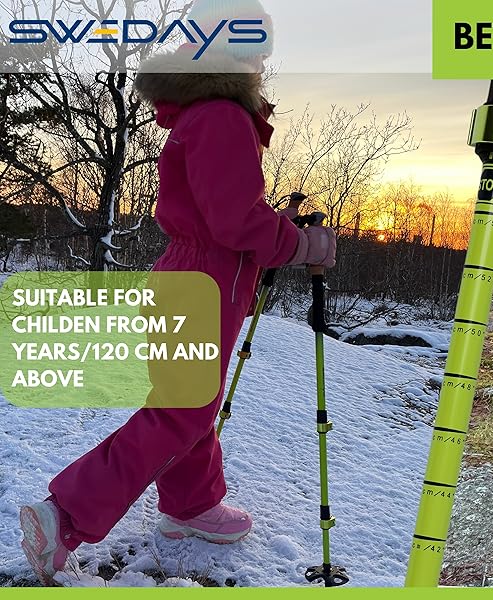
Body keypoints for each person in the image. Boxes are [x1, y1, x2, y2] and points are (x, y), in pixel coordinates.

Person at [18, 0, 337, 585]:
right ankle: (65, 515)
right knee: (180, 409)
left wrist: (279, 229)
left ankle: (191, 505)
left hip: (192, 276)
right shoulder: (222, 117)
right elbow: (236, 221)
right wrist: (304, 245)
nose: (263, 63)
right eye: (256, 50)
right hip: (205, 281)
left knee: (189, 399)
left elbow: (221, 208)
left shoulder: (203, 114)